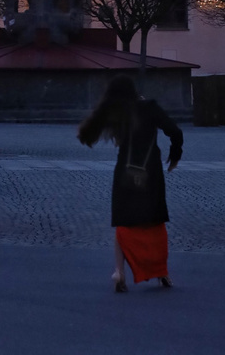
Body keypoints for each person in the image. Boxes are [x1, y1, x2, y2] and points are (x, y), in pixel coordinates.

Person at [78, 75, 183, 293]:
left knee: (123, 220)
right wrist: (175, 156)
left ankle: (119, 272)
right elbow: (175, 131)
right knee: (155, 220)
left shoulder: (115, 111)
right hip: (150, 171)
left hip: (125, 171)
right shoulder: (149, 107)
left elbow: (86, 135)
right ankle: (162, 271)